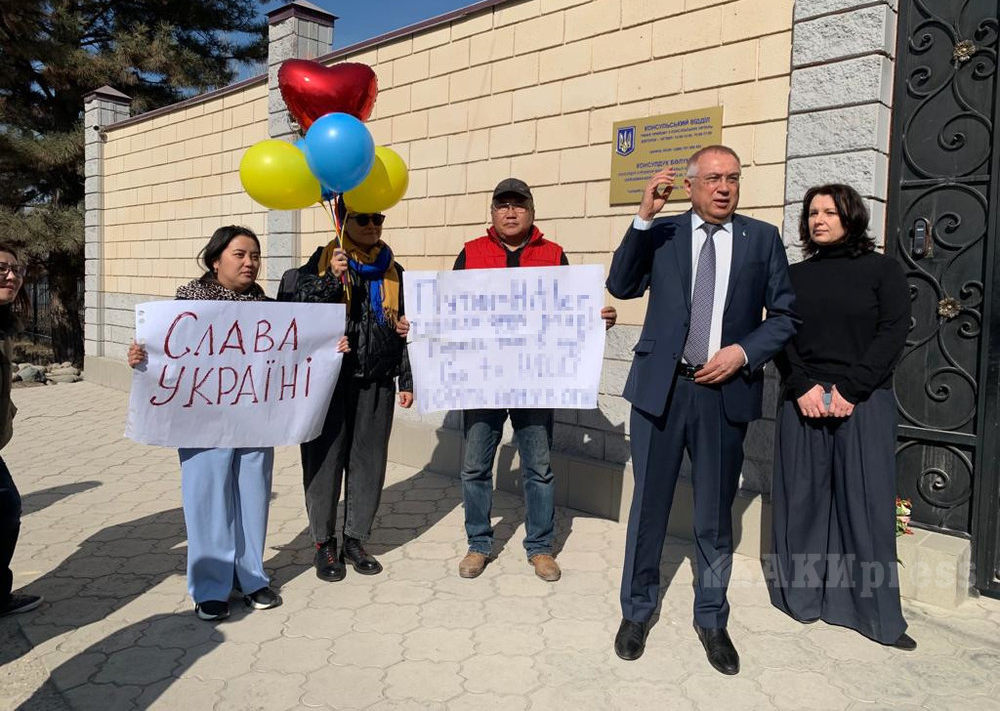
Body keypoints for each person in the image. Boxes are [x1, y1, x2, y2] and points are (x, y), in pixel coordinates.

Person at [607, 146, 797, 674]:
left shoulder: (761, 238)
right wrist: (642, 218)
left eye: (732, 178)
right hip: (661, 392)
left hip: (723, 393)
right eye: (713, 178)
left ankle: (712, 619)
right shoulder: (663, 232)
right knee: (649, 509)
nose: (724, 188)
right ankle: (637, 611)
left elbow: (785, 315)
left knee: (715, 514)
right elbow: (622, 285)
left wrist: (744, 352)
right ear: (689, 185)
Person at [128, 226, 348, 620]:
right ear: (216, 261)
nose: (250, 263)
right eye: (240, 255)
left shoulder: (265, 308)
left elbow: (295, 349)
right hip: (202, 423)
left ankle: (251, 577)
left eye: (255, 256)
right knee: (207, 498)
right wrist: (139, 357)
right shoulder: (187, 306)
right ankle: (210, 587)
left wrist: (330, 346)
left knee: (253, 495)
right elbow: (162, 352)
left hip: (254, 421)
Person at [429, 178, 616, 582]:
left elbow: (571, 309)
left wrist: (596, 319)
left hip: (535, 378)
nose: (510, 212)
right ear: (492, 213)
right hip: (483, 379)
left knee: (539, 467)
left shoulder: (553, 254)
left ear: (532, 212)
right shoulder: (471, 252)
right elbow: (448, 310)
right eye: (503, 205)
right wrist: (420, 323)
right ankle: (479, 543)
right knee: (475, 466)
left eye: (519, 205)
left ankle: (540, 547)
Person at [768, 184, 916, 650]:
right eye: (813, 213)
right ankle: (801, 599)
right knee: (802, 503)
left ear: (851, 217)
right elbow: (780, 333)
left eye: (830, 212)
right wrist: (802, 386)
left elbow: (893, 332)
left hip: (864, 401)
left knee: (866, 507)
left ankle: (875, 617)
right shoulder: (792, 275)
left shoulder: (882, 270)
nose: (819, 220)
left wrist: (851, 389)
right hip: (804, 400)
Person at [289, 201, 413, 582]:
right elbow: (296, 306)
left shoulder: (394, 271)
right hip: (329, 381)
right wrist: (332, 279)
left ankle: (355, 540)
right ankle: (323, 543)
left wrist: (407, 378)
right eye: (364, 219)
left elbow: (406, 325)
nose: (373, 225)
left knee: (369, 464)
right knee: (324, 463)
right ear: (343, 222)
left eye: (379, 218)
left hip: (377, 380)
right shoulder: (321, 263)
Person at [0, 244, 43, 617]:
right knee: (6, 507)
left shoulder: (3, 322)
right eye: (2, 269)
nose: (12, 276)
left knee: (6, 509)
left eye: (17, 270)